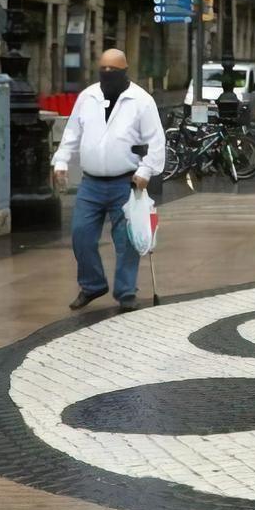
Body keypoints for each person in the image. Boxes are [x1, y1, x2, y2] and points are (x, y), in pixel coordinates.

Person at [52, 49, 166, 312]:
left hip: (126, 182)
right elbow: (72, 132)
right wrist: (61, 161)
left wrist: (146, 171)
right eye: (102, 69)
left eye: (112, 71)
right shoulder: (88, 96)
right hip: (91, 183)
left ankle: (126, 292)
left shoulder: (140, 100)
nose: (106, 74)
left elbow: (156, 141)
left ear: (124, 70)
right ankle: (92, 285)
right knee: (81, 234)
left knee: (126, 240)